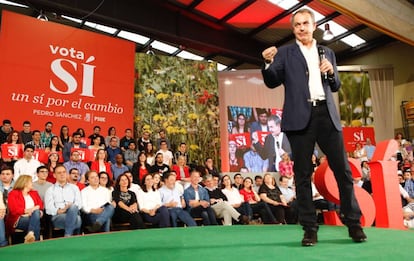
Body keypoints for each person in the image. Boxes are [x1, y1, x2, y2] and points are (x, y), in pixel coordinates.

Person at [261, 8, 366, 245]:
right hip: (299, 120)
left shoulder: (327, 51)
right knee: (302, 176)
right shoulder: (285, 53)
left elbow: (336, 85)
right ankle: (310, 229)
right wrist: (268, 63)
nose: (301, 28)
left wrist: (330, 72)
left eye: (305, 23)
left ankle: (354, 224)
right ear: (293, 28)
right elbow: (271, 81)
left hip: (326, 116)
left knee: (344, 172)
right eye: (297, 24)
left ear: (314, 24)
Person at [45, 165, 82, 237]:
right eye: (59, 173)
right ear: (54, 175)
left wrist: (69, 208)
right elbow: (48, 208)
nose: (62, 174)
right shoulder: (50, 190)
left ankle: (67, 234)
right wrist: (59, 210)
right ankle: (72, 237)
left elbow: (79, 204)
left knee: (74, 207)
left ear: (67, 174)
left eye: (64, 172)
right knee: (77, 219)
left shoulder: (74, 188)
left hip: (72, 212)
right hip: (58, 216)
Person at [6, 175, 43, 243]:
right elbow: (14, 210)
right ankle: (36, 242)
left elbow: (40, 205)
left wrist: (37, 211)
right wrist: (28, 211)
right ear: (25, 183)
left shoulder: (34, 193)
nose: (32, 183)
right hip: (19, 219)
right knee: (36, 221)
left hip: (33, 216)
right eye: (31, 182)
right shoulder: (13, 194)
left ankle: (30, 234)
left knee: (36, 214)